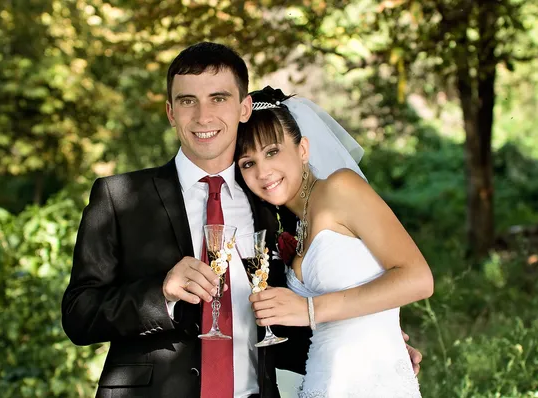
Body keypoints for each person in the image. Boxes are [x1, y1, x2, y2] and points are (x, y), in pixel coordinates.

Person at [61, 42, 422, 398]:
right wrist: (162, 293)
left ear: (244, 107)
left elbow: (285, 318)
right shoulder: (120, 197)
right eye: (188, 101)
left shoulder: (272, 201)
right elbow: (79, 315)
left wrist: (369, 345)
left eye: (218, 98)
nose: (203, 116)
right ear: (171, 112)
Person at [235, 87, 434, 397]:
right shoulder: (293, 227)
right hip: (322, 382)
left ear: (302, 149)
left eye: (272, 151)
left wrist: (309, 309)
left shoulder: (340, 188)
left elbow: (419, 279)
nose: (263, 171)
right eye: (248, 163)